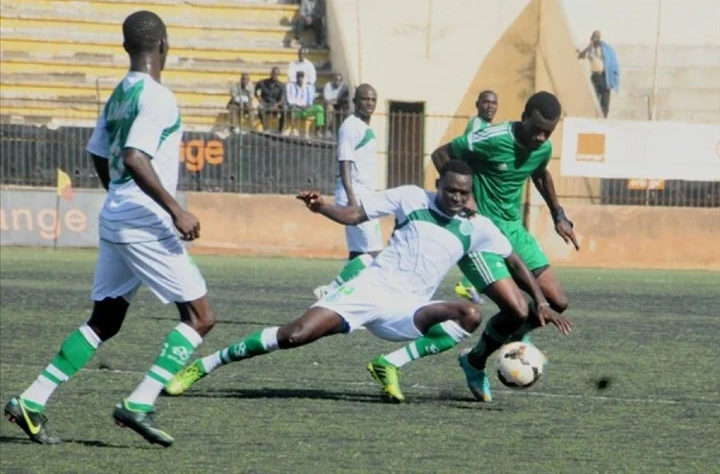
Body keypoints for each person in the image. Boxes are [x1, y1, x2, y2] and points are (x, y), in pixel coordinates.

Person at [164, 161, 568, 402]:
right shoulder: (412, 197)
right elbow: (356, 215)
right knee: (293, 336)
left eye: (463, 194)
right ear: (438, 186)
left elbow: (513, 259)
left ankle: (387, 365)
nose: (457, 199)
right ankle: (204, 366)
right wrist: (323, 208)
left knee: (469, 313)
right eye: (450, 191)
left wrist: (540, 301)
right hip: (369, 290)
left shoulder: (476, 227)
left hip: (409, 309)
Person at [3, 10, 216, 447]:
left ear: (126, 48)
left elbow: (100, 153)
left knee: (105, 320)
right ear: (164, 46)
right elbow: (136, 157)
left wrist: (117, 192)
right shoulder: (158, 97)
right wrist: (176, 210)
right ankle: (139, 402)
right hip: (143, 219)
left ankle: (31, 399)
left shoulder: (118, 94)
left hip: (117, 215)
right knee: (201, 317)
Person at [431, 91, 579, 402]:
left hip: (514, 229)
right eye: (536, 129)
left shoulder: (543, 147)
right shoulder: (491, 137)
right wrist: (464, 202)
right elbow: (441, 154)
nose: (540, 138)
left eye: (548, 132)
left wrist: (558, 214)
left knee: (558, 302)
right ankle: (478, 360)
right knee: (517, 309)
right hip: (482, 232)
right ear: (524, 116)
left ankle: (487, 350)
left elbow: (540, 173)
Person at [312, 84, 381, 300]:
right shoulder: (351, 126)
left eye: (372, 99)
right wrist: (352, 200)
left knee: (358, 254)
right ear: (355, 101)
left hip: (364, 194)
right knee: (375, 254)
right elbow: (345, 163)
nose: (369, 103)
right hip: (357, 196)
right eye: (365, 99)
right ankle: (331, 291)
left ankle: (347, 299)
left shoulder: (362, 126)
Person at [455, 89, 499, 302]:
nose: (490, 106)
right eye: (486, 102)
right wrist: (469, 192)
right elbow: (467, 157)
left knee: (481, 238)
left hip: (485, 192)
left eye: (493, 103)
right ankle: (469, 284)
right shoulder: (477, 125)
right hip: (478, 192)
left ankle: (472, 284)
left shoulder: (489, 128)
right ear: (477, 104)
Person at [577, 30, 620, 118]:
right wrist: (589, 45)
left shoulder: (605, 49)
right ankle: (594, 118)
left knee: (605, 103)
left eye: (598, 37)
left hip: (605, 77)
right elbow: (581, 56)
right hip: (595, 77)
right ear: (592, 38)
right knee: (594, 100)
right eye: (595, 37)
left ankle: (603, 119)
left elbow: (612, 61)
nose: (597, 38)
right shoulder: (590, 49)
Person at [285, 71, 325, 137]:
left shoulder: (309, 87)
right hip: (296, 109)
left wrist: (307, 105)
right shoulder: (290, 86)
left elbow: (310, 101)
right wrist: (299, 106)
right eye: (299, 77)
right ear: (296, 77)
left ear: (303, 78)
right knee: (292, 108)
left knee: (319, 108)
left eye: (302, 77)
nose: (300, 78)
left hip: (307, 109)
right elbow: (290, 100)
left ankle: (318, 130)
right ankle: (294, 129)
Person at [254, 66, 286, 133]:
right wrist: (259, 99)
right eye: (273, 73)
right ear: (271, 73)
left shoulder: (281, 85)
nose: (275, 75)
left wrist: (276, 105)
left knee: (284, 110)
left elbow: (282, 99)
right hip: (265, 103)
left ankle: (280, 131)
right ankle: (265, 128)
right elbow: (255, 90)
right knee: (260, 108)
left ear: (278, 75)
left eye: (276, 74)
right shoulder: (262, 83)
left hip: (275, 104)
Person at [323, 73, 350, 137]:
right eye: (336, 80)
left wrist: (335, 100)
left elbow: (344, 99)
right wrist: (333, 100)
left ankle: (344, 130)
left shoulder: (344, 87)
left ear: (341, 81)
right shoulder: (328, 85)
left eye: (339, 81)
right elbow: (326, 99)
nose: (337, 82)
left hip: (339, 104)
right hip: (329, 104)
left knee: (346, 108)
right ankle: (329, 129)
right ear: (333, 80)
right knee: (330, 107)